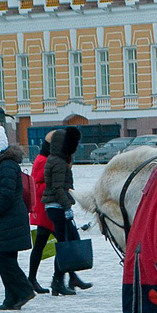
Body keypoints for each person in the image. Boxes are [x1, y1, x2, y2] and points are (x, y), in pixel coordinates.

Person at [0, 125, 34, 310]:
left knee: (0, 254)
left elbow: (6, 194)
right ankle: (12, 298)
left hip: (9, 217)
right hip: (11, 217)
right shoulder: (3, 164)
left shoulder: (5, 166)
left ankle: (24, 290)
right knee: (7, 256)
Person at [43, 126, 92, 296]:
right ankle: (58, 283)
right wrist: (67, 206)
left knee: (70, 241)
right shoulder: (57, 162)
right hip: (57, 207)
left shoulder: (57, 159)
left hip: (56, 206)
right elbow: (57, 188)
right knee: (64, 246)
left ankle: (71, 277)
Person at [26, 135, 54, 295]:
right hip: (44, 209)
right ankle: (65, 277)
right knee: (62, 242)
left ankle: (68, 276)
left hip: (46, 208)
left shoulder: (44, 158)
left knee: (42, 245)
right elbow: (37, 184)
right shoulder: (43, 160)